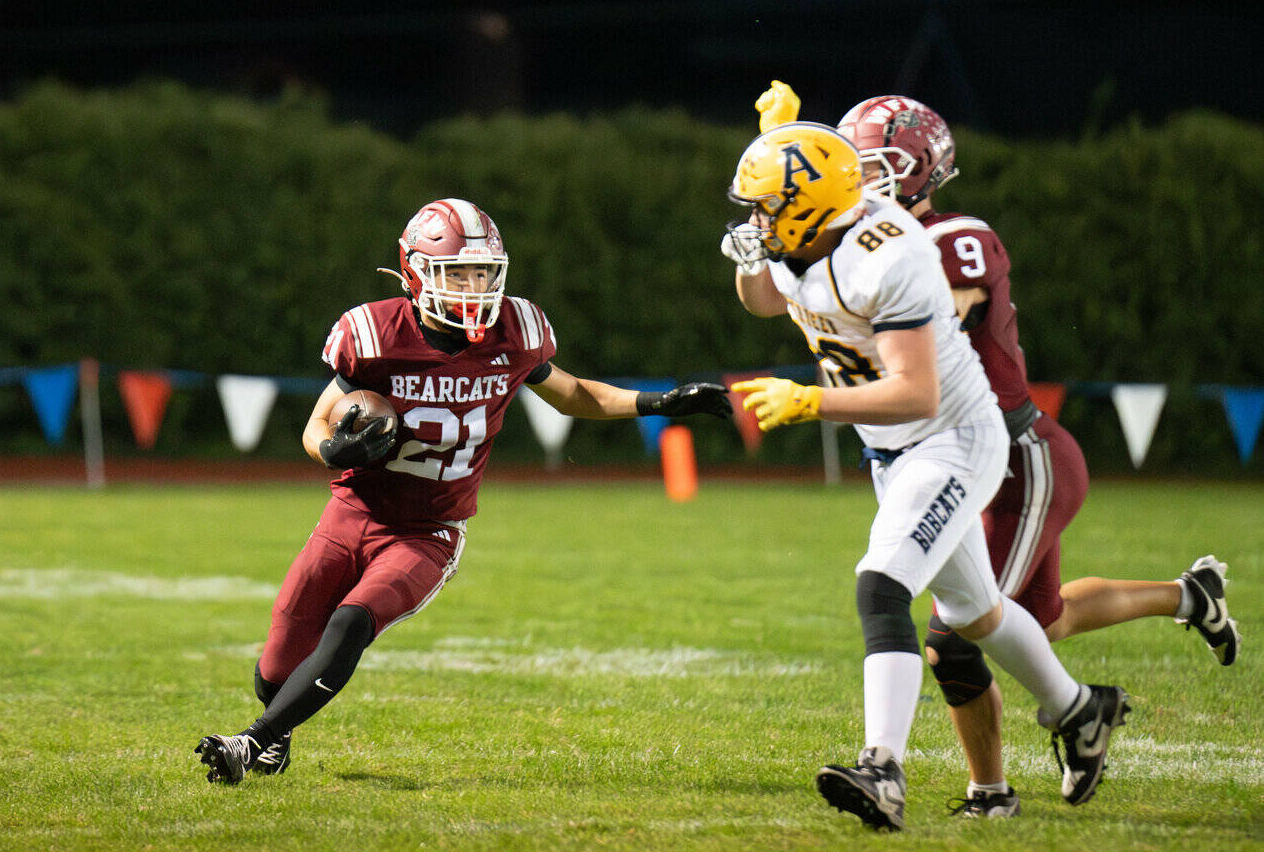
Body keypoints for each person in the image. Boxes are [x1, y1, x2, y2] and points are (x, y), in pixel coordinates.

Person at [194, 197, 732, 784]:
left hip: (428, 533)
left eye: (483, 272)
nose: (474, 286)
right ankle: (277, 728)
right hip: (351, 512)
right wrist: (332, 450)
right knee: (276, 662)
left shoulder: (514, 332)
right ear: (416, 271)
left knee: (351, 623)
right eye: (457, 272)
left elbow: (576, 393)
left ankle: (252, 743)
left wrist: (658, 403)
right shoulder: (374, 334)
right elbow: (316, 426)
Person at [835, 94, 1241, 818]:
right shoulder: (867, 252)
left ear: (920, 172)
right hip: (955, 460)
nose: (861, 183)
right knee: (1034, 623)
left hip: (1019, 461)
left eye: (875, 168)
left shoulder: (956, 237)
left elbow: (927, 331)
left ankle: (997, 786)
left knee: (953, 635)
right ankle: (1188, 599)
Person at [720, 120, 1129, 831]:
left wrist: (809, 400)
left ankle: (882, 766)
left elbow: (917, 392)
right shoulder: (809, 231)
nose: (757, 222)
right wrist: (770, 176)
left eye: (767, 209)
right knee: (976, 614)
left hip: (951, 438)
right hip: (893, 449)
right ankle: (1077, 709)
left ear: (810, 209)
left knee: (882, 584)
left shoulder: (889, 256)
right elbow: (762, 298)